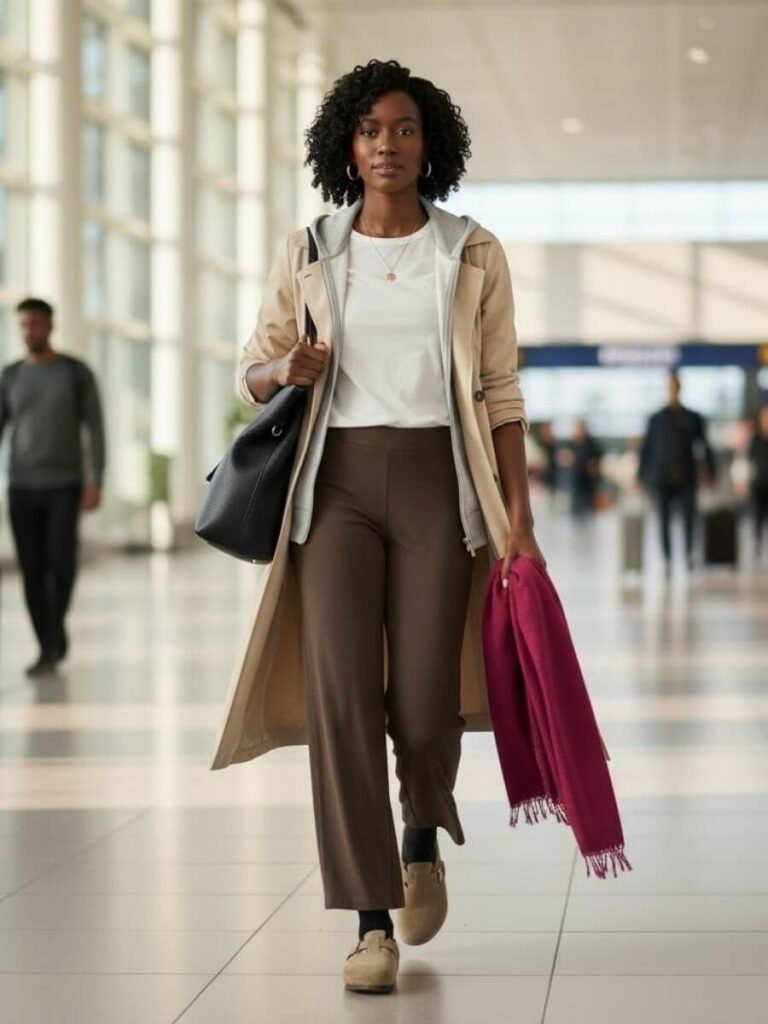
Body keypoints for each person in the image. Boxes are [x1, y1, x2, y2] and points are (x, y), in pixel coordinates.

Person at [210, 59, 544, 994]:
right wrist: (285, 371)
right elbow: (253, 367)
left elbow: (500, 391)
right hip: (336, 488)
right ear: (345, 149)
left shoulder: (471, 252)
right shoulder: (310, 249)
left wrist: (519, 518)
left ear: (429, 145)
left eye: (402, 129)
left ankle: (421, 832)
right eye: (368, 131)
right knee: (343, 699)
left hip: (440, 480)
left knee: (428, 697)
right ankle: (368, 921)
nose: (385, 145)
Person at [0, 298, 105, 676]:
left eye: (35, 324)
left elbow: (95, 428)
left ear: (50, 326)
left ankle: (53, 632)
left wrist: (96, 479)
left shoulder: (75, 373)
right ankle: (49, 646)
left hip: (64, 484)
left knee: (60, 564)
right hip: (21, 486)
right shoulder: (11, 375)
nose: (29, 332)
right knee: (31, 569)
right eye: (23, 325)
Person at [638, 371, 715, 573]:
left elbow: (704, 446)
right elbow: (647, 449)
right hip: (661, 478)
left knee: (689, 519)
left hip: (686, 477)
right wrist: (640, 475)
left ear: (680, 388)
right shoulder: (656, 419)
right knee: (663, 520)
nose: (672, 390)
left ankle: (688, 555)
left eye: (675, 386)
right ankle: (667, 559)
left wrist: (711, 472)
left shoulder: (693, 418)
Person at [569, 418, 602, 519]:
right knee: (576, 511)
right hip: (576, 482)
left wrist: (592, 467)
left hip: (588, 483)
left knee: (588, 511)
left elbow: (596, 460)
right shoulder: (573, 444)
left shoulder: (591, 445)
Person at [748, 403, 768, 557]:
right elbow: (747, 463)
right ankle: (757, 546)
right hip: (759, 484)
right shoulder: (755, 439)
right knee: (757, 518)